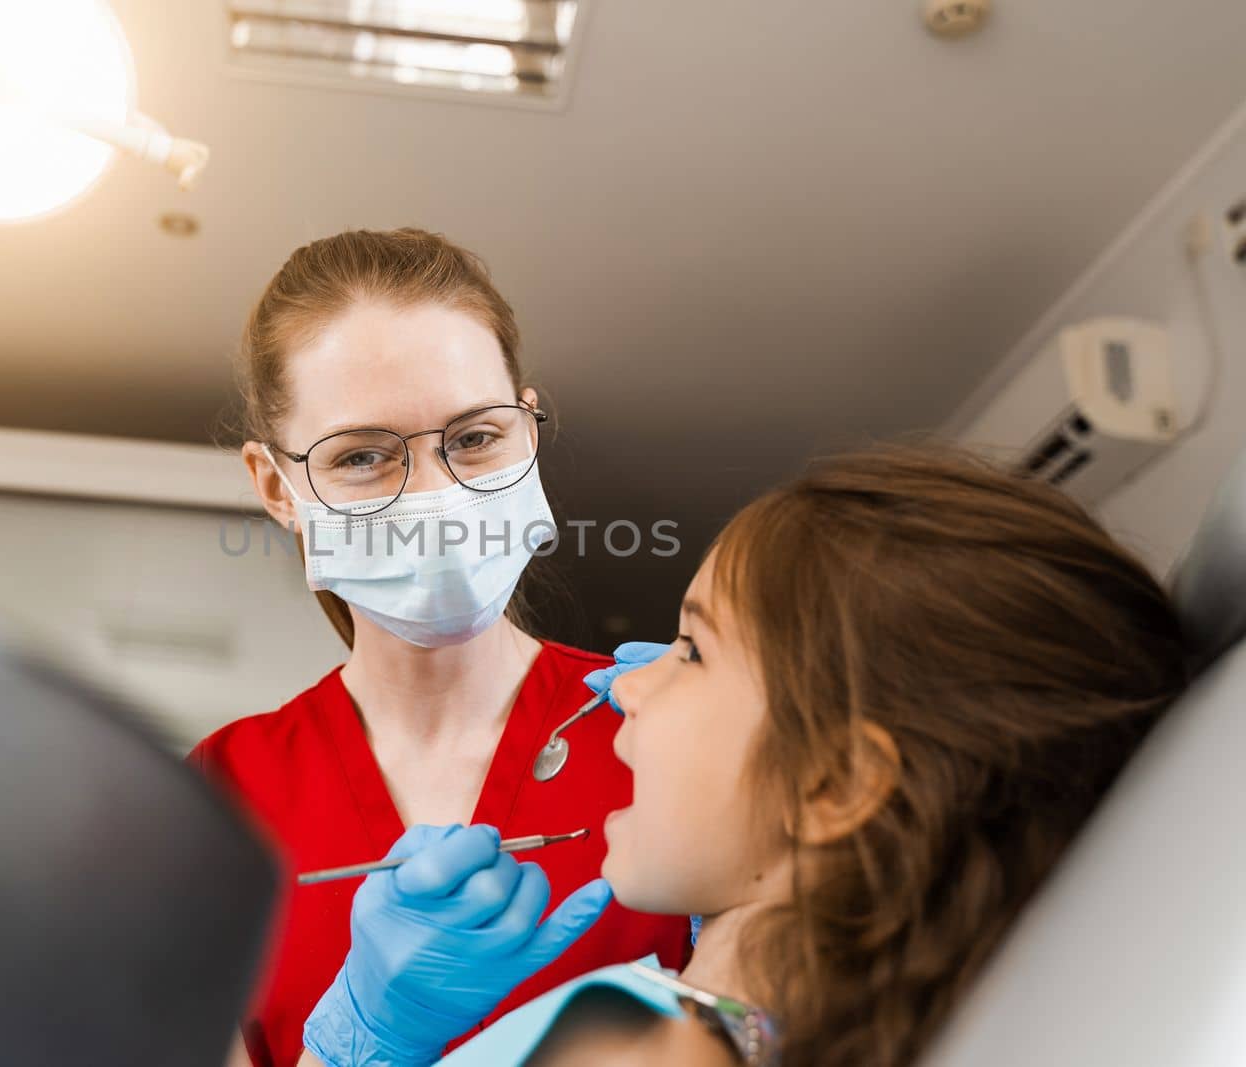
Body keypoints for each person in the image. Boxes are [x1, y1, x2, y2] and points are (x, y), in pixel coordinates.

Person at [329, 444, 1188, 1066]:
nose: (627, 685)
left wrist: (362, 1045)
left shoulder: (646, 1047)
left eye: (693, 649)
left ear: (837, 783)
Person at [188, 228, 690, 1067]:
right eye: (362, 456)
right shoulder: (218, 801)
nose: (437, 495)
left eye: (475, 437)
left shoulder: (663, 734)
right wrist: (361, 1041)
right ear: (277, 487)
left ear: (529, 429)